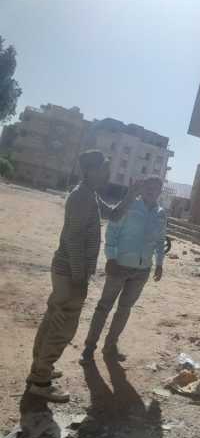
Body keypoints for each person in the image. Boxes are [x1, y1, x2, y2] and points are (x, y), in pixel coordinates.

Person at [27, 150, 139, 403]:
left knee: (54, 320)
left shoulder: (89, 194)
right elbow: (73, 239)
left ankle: (39, 369)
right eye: (104, 168)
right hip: (70, 273)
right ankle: (40, 381)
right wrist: (79, 277)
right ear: (90, 170)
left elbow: (113, 215)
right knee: (62, 327)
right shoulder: (81, 197)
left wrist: (131, 194)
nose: (108, 173)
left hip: (69, 271)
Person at [80, 175, 167, 364]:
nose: (151, 191)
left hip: (142, 271)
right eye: (148, 187)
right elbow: (112, 231)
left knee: (124, 309)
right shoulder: (129, 206)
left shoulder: (161, 214)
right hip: (119, 265)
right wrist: (111, 257)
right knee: (104, 307)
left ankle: (110, 346)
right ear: (142, 188)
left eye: (155, 188)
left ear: (160, 191)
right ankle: (89, 347)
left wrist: (160, 263)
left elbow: (160, 241)